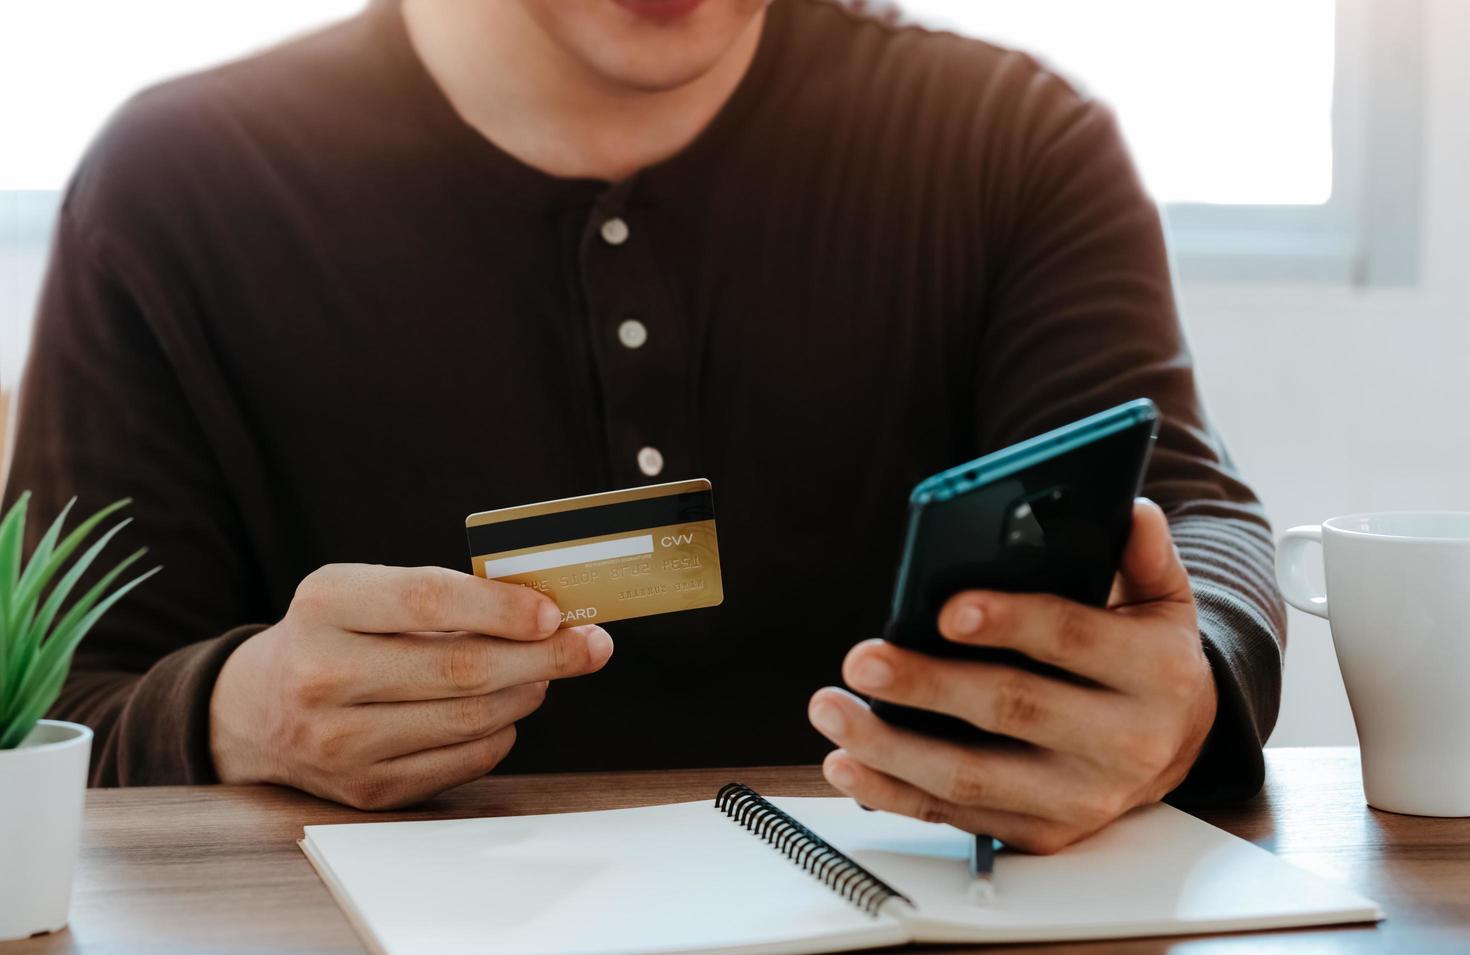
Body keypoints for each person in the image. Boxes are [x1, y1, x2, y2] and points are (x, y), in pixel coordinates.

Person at [4, 0, 1284, 854]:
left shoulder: (1014, 142)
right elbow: (52, 710)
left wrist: (1191, 679)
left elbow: (1193, 522)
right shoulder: (176, 185)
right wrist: (238, 711)